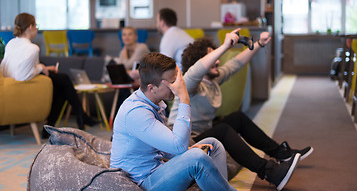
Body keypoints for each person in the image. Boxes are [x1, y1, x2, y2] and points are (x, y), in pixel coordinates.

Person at [168, 30, 313, 190]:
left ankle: (281, 154)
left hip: (201, 137)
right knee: (223, 130)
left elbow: (236, 64)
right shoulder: (189, 85)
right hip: (183, 143)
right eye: (213, 58)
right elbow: (196, 70)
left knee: (237, 118)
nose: (218, 61)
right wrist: (224, 46)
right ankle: (270, 172)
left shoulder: (212, 81)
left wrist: (259, 44)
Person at [110, 52, 236, 191]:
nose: (177, 86)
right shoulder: (136, 112)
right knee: (197, 158)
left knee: (213, 144)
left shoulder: (153, 102)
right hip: (142, 182)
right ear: (152, 88)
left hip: (156, 171)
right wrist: (184, 97)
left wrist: (189, 150)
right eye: (172, 82)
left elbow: (166, 148)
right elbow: (178, 146)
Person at [0, 13, 98, 139]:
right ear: (30, 27)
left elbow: (16, 68)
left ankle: (56, 124)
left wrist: (43, 68)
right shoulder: (33, 48)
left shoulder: (11, 44)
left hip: (10, 85)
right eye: (36, 25)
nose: (37, 29)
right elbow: (24, 75)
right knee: (64, 80)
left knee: (61, 85)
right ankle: (80, 116)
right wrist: (41, 68)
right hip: (25, 88)